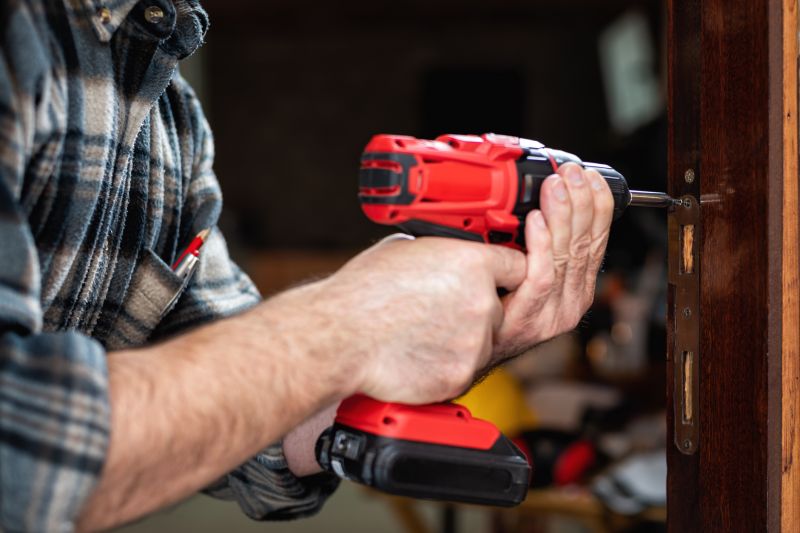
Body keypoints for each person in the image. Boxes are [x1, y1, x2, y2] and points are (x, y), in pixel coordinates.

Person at [0, 1, 614, 531]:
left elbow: (251, 428)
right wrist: (348, 323)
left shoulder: (170, 114)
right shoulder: (23, 34)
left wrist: (477, 326)